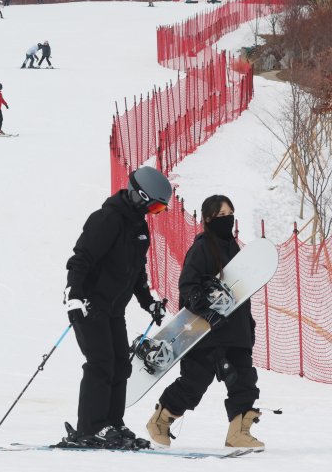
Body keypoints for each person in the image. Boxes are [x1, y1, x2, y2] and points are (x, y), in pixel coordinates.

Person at [64, 166, 171, 447]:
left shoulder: (139, 228)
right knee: (101, 364)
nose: (155, 213)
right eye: (156, 207)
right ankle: (90, 428)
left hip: (113, 309)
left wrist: (149, 303)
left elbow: (137, 273)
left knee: (121, 365)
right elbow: (81, 259)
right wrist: (74, 296)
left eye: (160, 210)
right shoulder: (106, 220)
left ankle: (112, 422)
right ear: (139, 196)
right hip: (89, 304)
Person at [146, 195, 264, 449]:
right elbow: (188, 287)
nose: (228, 219)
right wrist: (206, 303)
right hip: (206, 333)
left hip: (235, 332)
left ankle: (238, 433)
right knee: (194, 382)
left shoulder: (235, 249)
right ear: (209, 219)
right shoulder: (201, 248)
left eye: (230, 213)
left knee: (244, 380)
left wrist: (249, 327)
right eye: (222, 215)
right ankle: (160, 420)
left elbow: (241, 293)